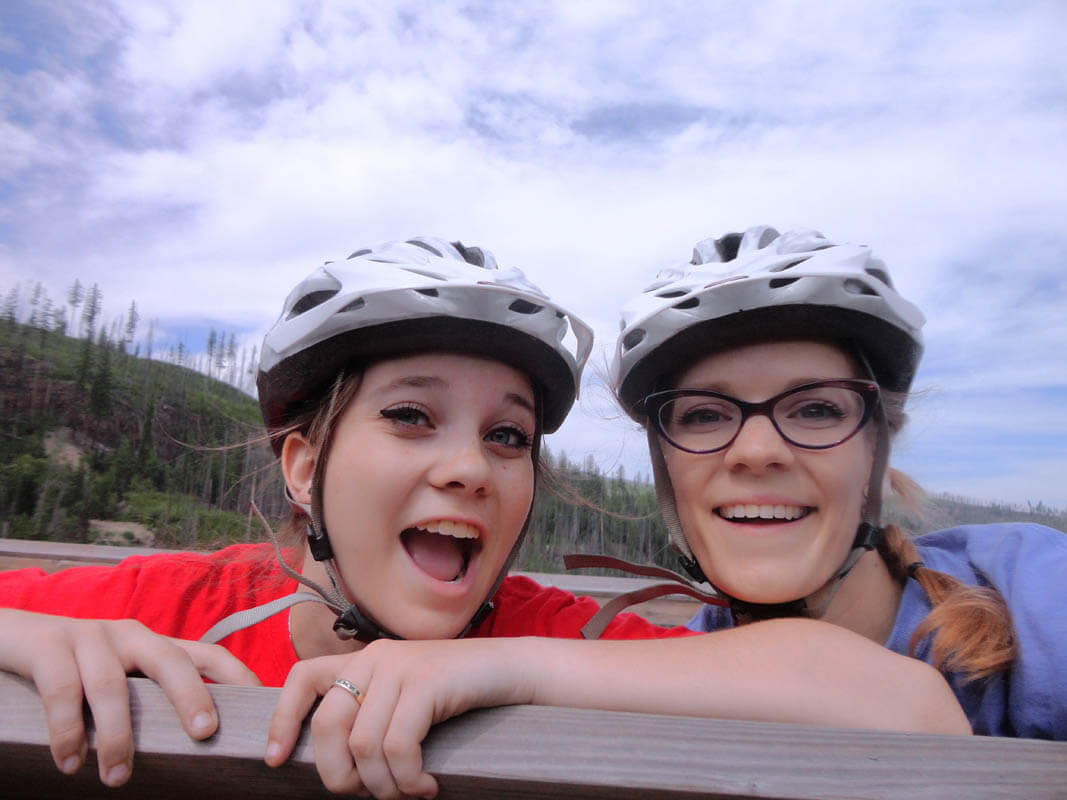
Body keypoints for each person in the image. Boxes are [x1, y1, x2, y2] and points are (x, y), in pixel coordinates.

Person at [1, 236, 968, 799]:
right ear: (304, 465)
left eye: (509, 438)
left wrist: (486, 663)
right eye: (411, 417)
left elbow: (909, 708)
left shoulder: (558, 633)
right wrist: (26, 639)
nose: (469, 467)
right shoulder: (171, 606)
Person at [597, 224, 1067, 740]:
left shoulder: (1031, 590)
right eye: (705, 416)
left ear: (879, 457)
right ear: (668, 470)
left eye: (816, 409)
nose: (756, 452)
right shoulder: (673, 677)